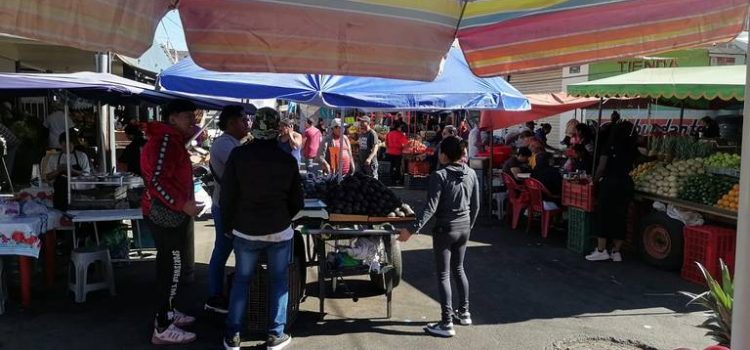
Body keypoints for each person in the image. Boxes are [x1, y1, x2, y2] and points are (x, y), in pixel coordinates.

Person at [221, 107, 303, 350]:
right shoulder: (287, 159)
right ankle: (275, 335)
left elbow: (227, 196)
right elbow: (297, 201)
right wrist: (283, 217)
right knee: (279, 282)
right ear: (278, 129)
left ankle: (232, 335)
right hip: (279, 230)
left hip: (245, 230)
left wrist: (228, 225)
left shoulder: (238, 155)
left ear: (254, 128)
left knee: (242, 281)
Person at [397, 136, 480, 338]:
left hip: (445, 229)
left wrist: (412, 229)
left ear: (444, 155)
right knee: (459, 269)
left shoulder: (439, 175)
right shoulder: (471, 173)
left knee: (444, 275)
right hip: (464, 228)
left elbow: (430, 208)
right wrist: (469, 226)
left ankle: (446, 323)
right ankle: (464, 312)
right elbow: (476, 205)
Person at [141, 99, 203, 344]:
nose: (193, 120)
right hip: (166, 215)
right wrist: (182, 203)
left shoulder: (171, 139)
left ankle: (168, 312)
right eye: (188, 116)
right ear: (173, 118)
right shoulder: (165, 140)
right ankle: (163, 327)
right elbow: (156, 181)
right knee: (171, 268)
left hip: (171, 213)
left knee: (170, 267)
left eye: (194, 116)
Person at [204, 105, 252, 315]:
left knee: (234, 250)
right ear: (231, 123)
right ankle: (214, 296)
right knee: (223, 250)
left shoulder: (237, 142)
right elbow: (245, 169)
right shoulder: (224, 144)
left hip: (237, 206)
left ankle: (231, 292)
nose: (247, 124)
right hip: (225, 207)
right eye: (243, 120)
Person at [586, 121, 637, 263]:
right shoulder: (632, 147)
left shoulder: (609, 146)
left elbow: (602, 167)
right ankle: (616, 252)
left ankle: (601, 250)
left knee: (603, 216)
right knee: (621, 217)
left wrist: (594, 181)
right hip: (626, 184)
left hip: (610, 184)